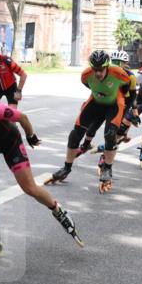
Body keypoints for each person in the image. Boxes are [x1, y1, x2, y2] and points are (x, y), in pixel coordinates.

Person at [0, 76, 83, 263]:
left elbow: (22, 117)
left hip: (9, 141)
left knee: (29, 188)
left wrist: (31, 135)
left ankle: (57, 209)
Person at [45, 50, 132, 193]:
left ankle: (107, 169)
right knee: (75, 134)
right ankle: (66, 168)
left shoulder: (119, 74)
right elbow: (89, 85)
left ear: (107, 67)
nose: (98, 73)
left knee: (110, 135)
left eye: (101, 70)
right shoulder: (86, 75)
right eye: (95, 70)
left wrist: (128, 110)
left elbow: (129, 89)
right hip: (96, 102)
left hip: (114, 104)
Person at [79, 49, 138, 161]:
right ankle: (86, 144)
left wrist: (134, 109)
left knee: (115, 129)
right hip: (108, 102)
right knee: (95, 122)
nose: (117, 65)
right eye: (115, 62)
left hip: (124, 102)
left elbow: (133, 95)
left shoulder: (131, 76)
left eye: (120, 62)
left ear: (126, 63)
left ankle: (109, 151)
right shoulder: (109, 72)